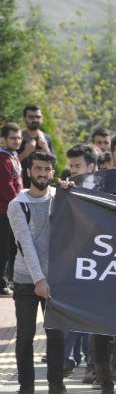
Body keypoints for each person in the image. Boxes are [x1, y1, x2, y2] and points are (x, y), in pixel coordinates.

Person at [8, 151, 66, 394]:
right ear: (29, 171)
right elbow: (25, 245)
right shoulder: (17, 205)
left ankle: (56, 384)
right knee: (25, 335)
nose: (43, 173)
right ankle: (27, 387)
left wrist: (69, 191)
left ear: (53, 172)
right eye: (38, 169)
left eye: (47, 169)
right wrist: (39, 279)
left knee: (56, 335)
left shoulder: (60, 198)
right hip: (26, 280)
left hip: (56, 280)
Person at [0, 123, 23, 295]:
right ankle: (1, 283)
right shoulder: (3, 157)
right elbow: (6, 186)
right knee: (4, 247)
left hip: (12, 209)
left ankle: (7, 279)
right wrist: (19, 203)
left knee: (11, 247)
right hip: (4, 210)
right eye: (13, 138)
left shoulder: (13, 156)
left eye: (19, 137)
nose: (17, 141)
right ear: (4, 139)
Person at [17, 105, 55, 188]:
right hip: (21, 187)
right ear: (24, 119)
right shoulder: (17, 138)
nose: (35, 120)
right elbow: (8, 164)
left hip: (42, 186)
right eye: (31, 117)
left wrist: (46, 149)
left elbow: (53, 164)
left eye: (38, 117)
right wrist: (25, 153)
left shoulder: (46, 138)